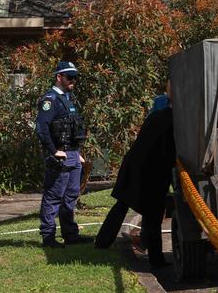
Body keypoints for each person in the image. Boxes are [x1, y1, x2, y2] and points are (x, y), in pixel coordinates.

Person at [94, 104, 175, 268]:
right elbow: (170, 152)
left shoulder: (157, 115)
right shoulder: (174, 121)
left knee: (122, 205)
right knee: (153, 214)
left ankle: (102, 241)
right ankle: (156, 260)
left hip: (134, 165)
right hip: (152, 171)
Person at [35, 61, 91, 248]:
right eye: (70, 77)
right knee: (54, 196)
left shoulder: (67, 98)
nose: (73, 80)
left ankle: (71, 235)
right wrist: (53, 151)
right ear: (59, 77)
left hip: (73, 155)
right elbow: (42, 128)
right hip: (61, 156)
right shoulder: (50, 100)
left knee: (71, 196)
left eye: (75, 77)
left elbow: (72, 129)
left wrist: (78, 153)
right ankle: (49, 237)